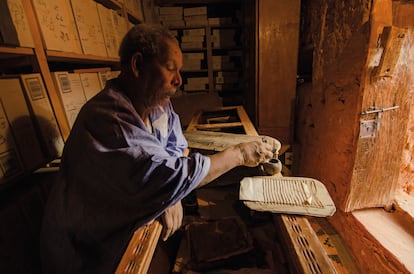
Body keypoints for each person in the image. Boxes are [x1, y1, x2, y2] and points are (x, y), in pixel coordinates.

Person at [40, 23, 273, 274]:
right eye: (171, 69)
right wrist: (238, 154)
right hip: (89, 253)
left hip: (125, 228)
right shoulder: (108, 118)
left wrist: (171, 194)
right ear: (138, 65)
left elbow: (176, 150)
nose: (179, 81)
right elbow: (165, 174)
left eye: (179, 71)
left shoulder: (158, 104)